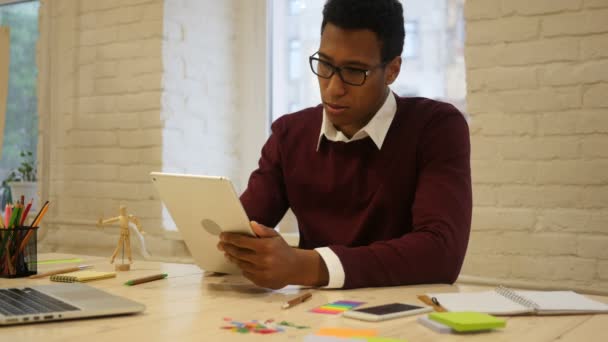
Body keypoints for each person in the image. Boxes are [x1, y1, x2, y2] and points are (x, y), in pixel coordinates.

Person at [218, 0, 471, 290]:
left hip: (403, 320)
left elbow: (441, 253)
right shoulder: (290, 133)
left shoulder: (436, 128)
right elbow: (243, 228)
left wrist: (304, 266)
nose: (333, 87)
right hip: (313, 321)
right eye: (325, 64)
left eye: (354, 71)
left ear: (392, 70)